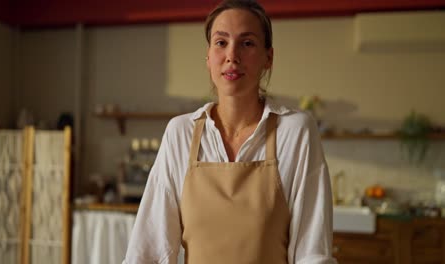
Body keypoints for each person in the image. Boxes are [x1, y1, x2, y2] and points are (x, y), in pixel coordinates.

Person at [123, 0, 336, 263]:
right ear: (209, 57)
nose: (231, 56)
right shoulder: (180, 133)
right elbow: (148, 251)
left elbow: (312, 253)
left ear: (268, 57)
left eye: (247, 43)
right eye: (221, 42)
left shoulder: (295, 131)